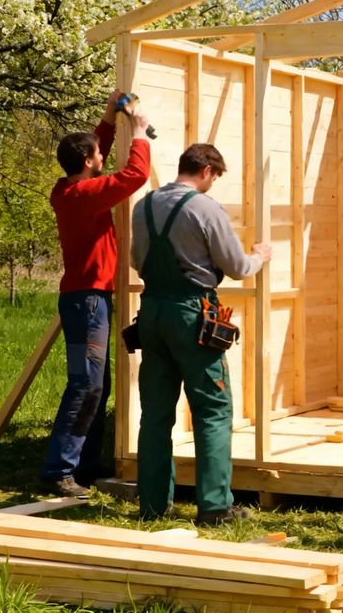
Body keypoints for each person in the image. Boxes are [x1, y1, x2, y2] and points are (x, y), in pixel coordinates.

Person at [131, 143, 271, 524]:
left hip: (152, 313)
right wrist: (261, 254)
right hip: (192, 315)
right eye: (215, 178)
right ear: (207, 171)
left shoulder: (142, 207)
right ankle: (214, 507)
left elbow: (134, 259)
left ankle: (153, 506)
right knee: (212, 408)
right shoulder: (204, 208)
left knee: (156, 414)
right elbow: (238, 266)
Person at [41, 91, 151, 498]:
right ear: (88, 163)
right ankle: (59, 470)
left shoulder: (65, 189)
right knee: (85, 386)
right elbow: (134, 176)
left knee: (94, 385)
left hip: (86, 299)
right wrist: (139, 134)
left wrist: (107, 119)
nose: (103, 156)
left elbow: (94, 151)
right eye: (98, 155)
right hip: (88, 302)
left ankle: (84, 465)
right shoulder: (86, 196)